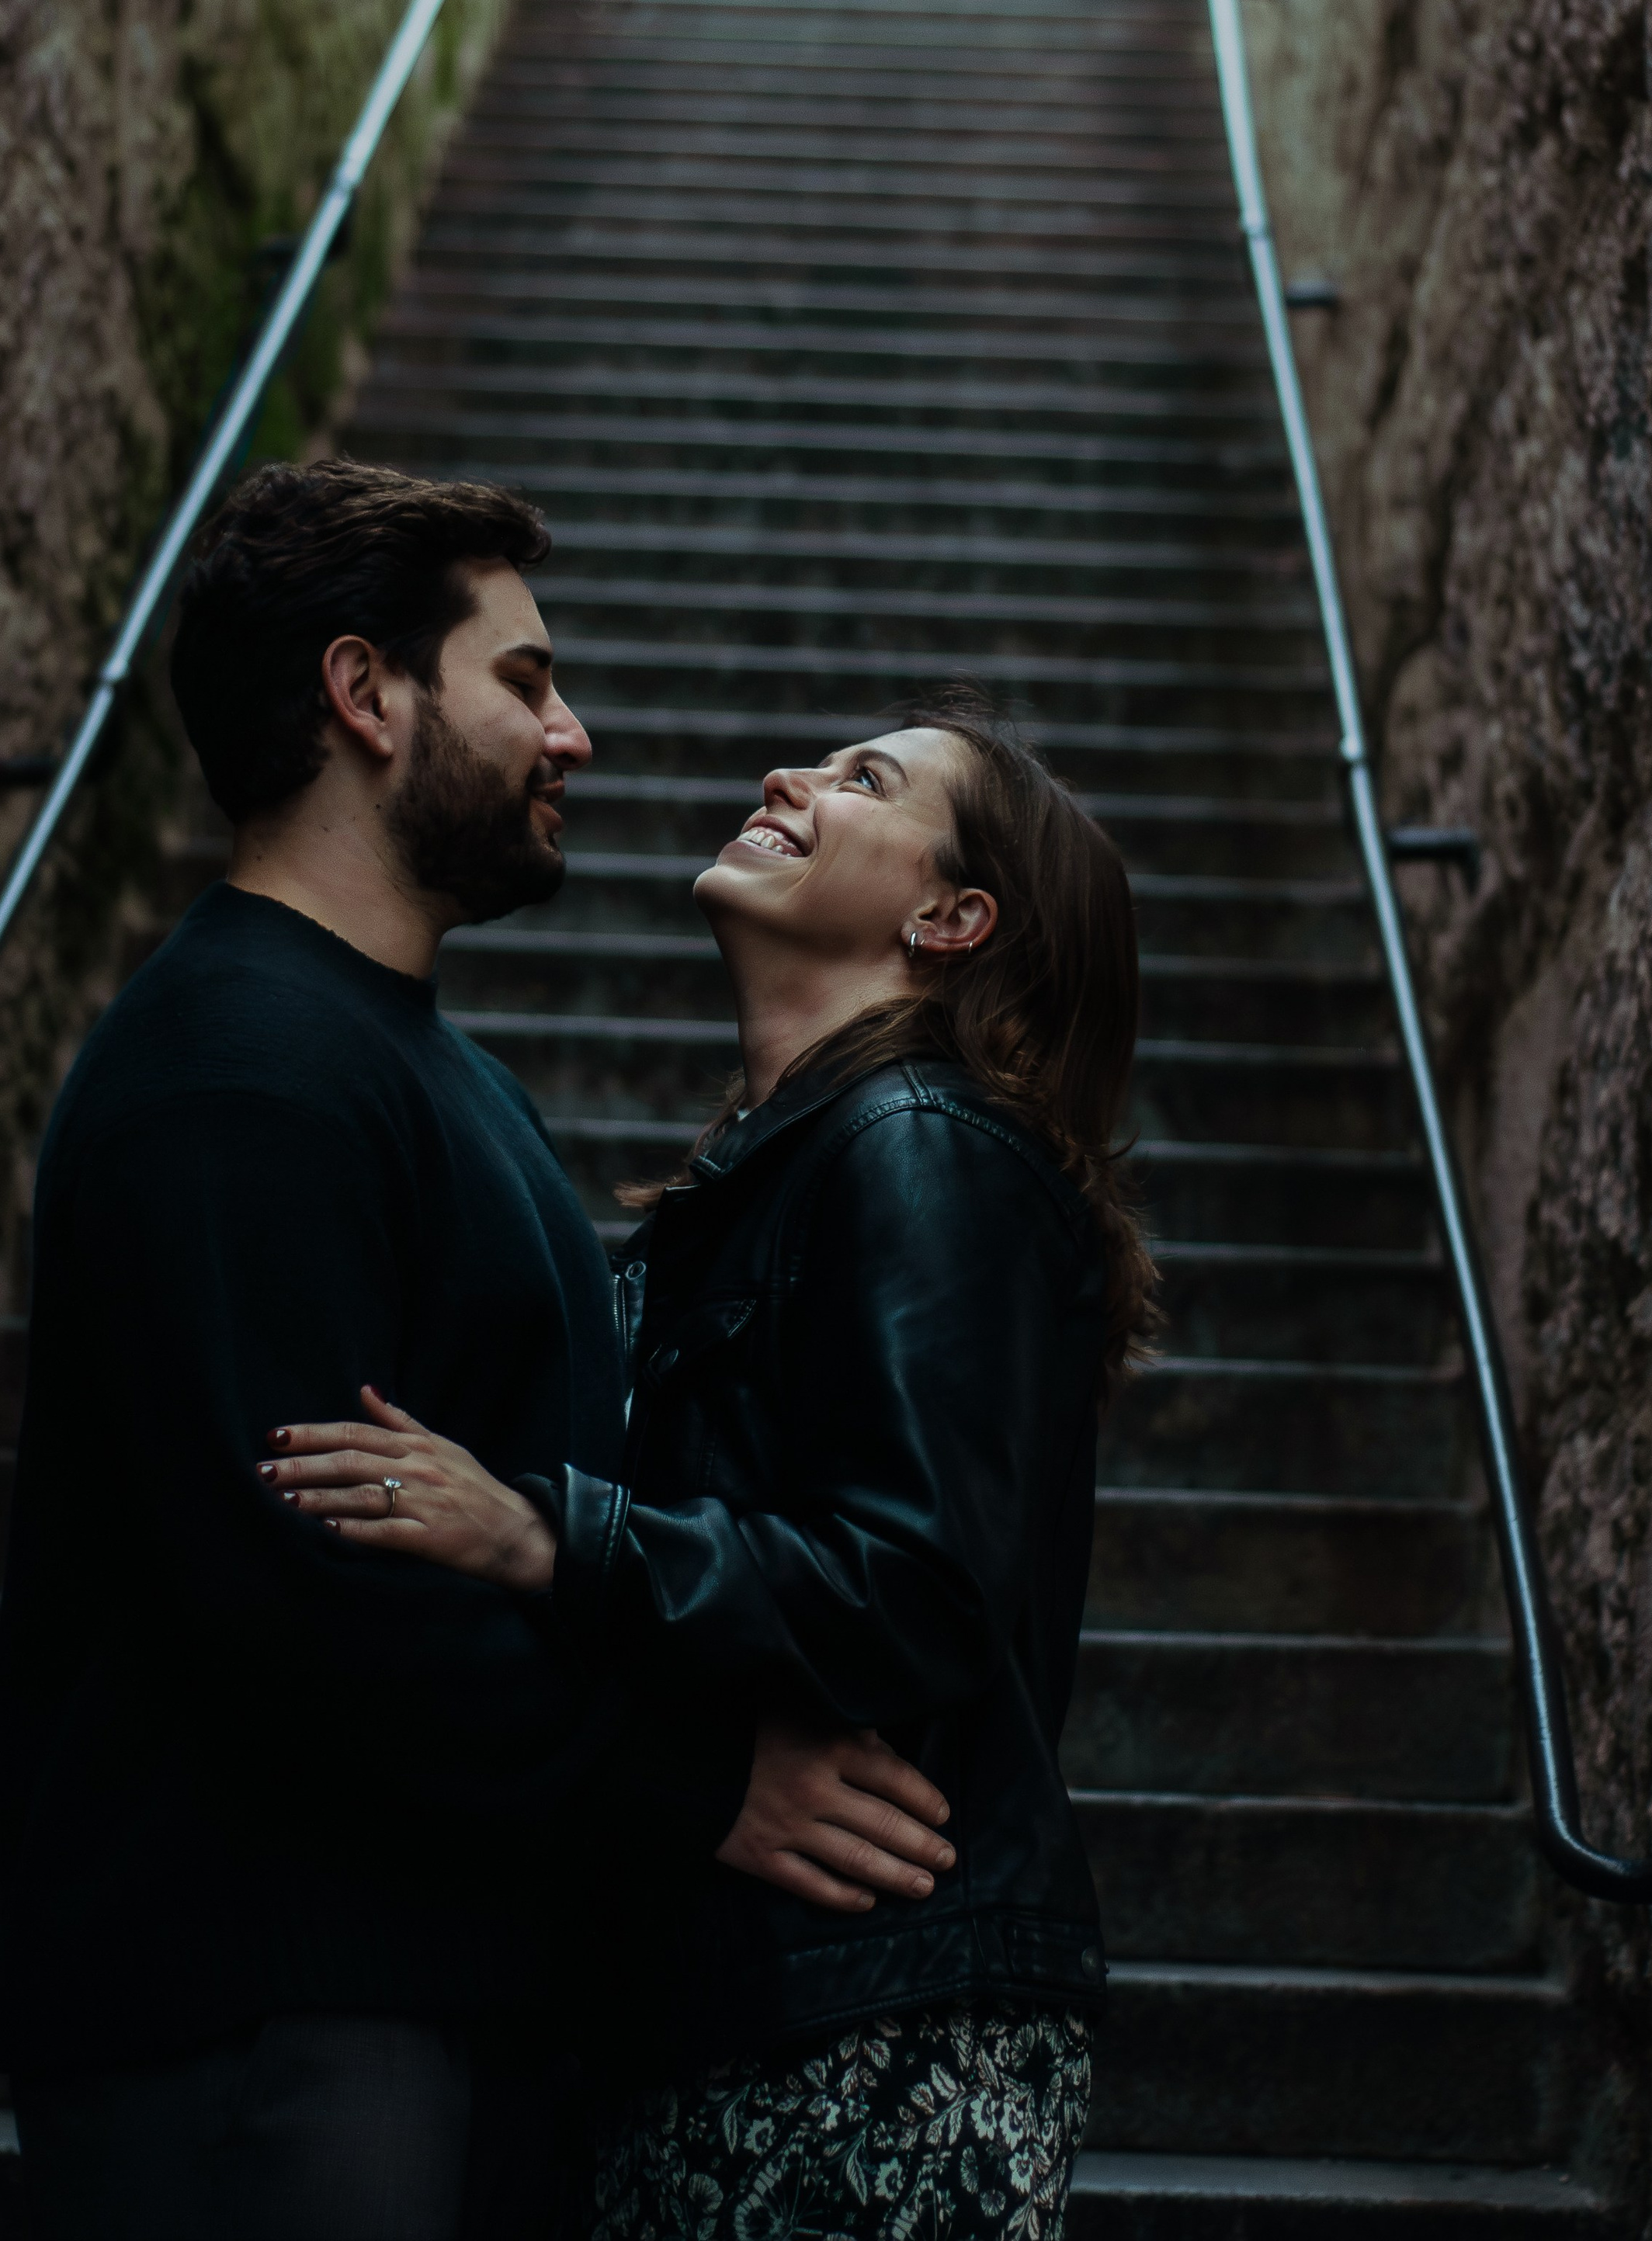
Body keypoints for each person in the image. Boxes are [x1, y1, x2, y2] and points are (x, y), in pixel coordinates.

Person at [0, 459, 952, 2241]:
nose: (571, 732)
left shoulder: (429, 1071)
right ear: (364, 694)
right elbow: (305, 1587)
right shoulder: (232, 1072)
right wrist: (691, 1785)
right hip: (274, 2026)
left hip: (433, 2005)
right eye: (521, 679)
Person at [263, 689, 1153, 2239]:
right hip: (744, 1992)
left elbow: (920, 1578)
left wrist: (550, 1534)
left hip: (867, 2013)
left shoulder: (918, 1138)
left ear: (951, 914)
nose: (786, 770)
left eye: (864, 775)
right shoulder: (770, 1171)